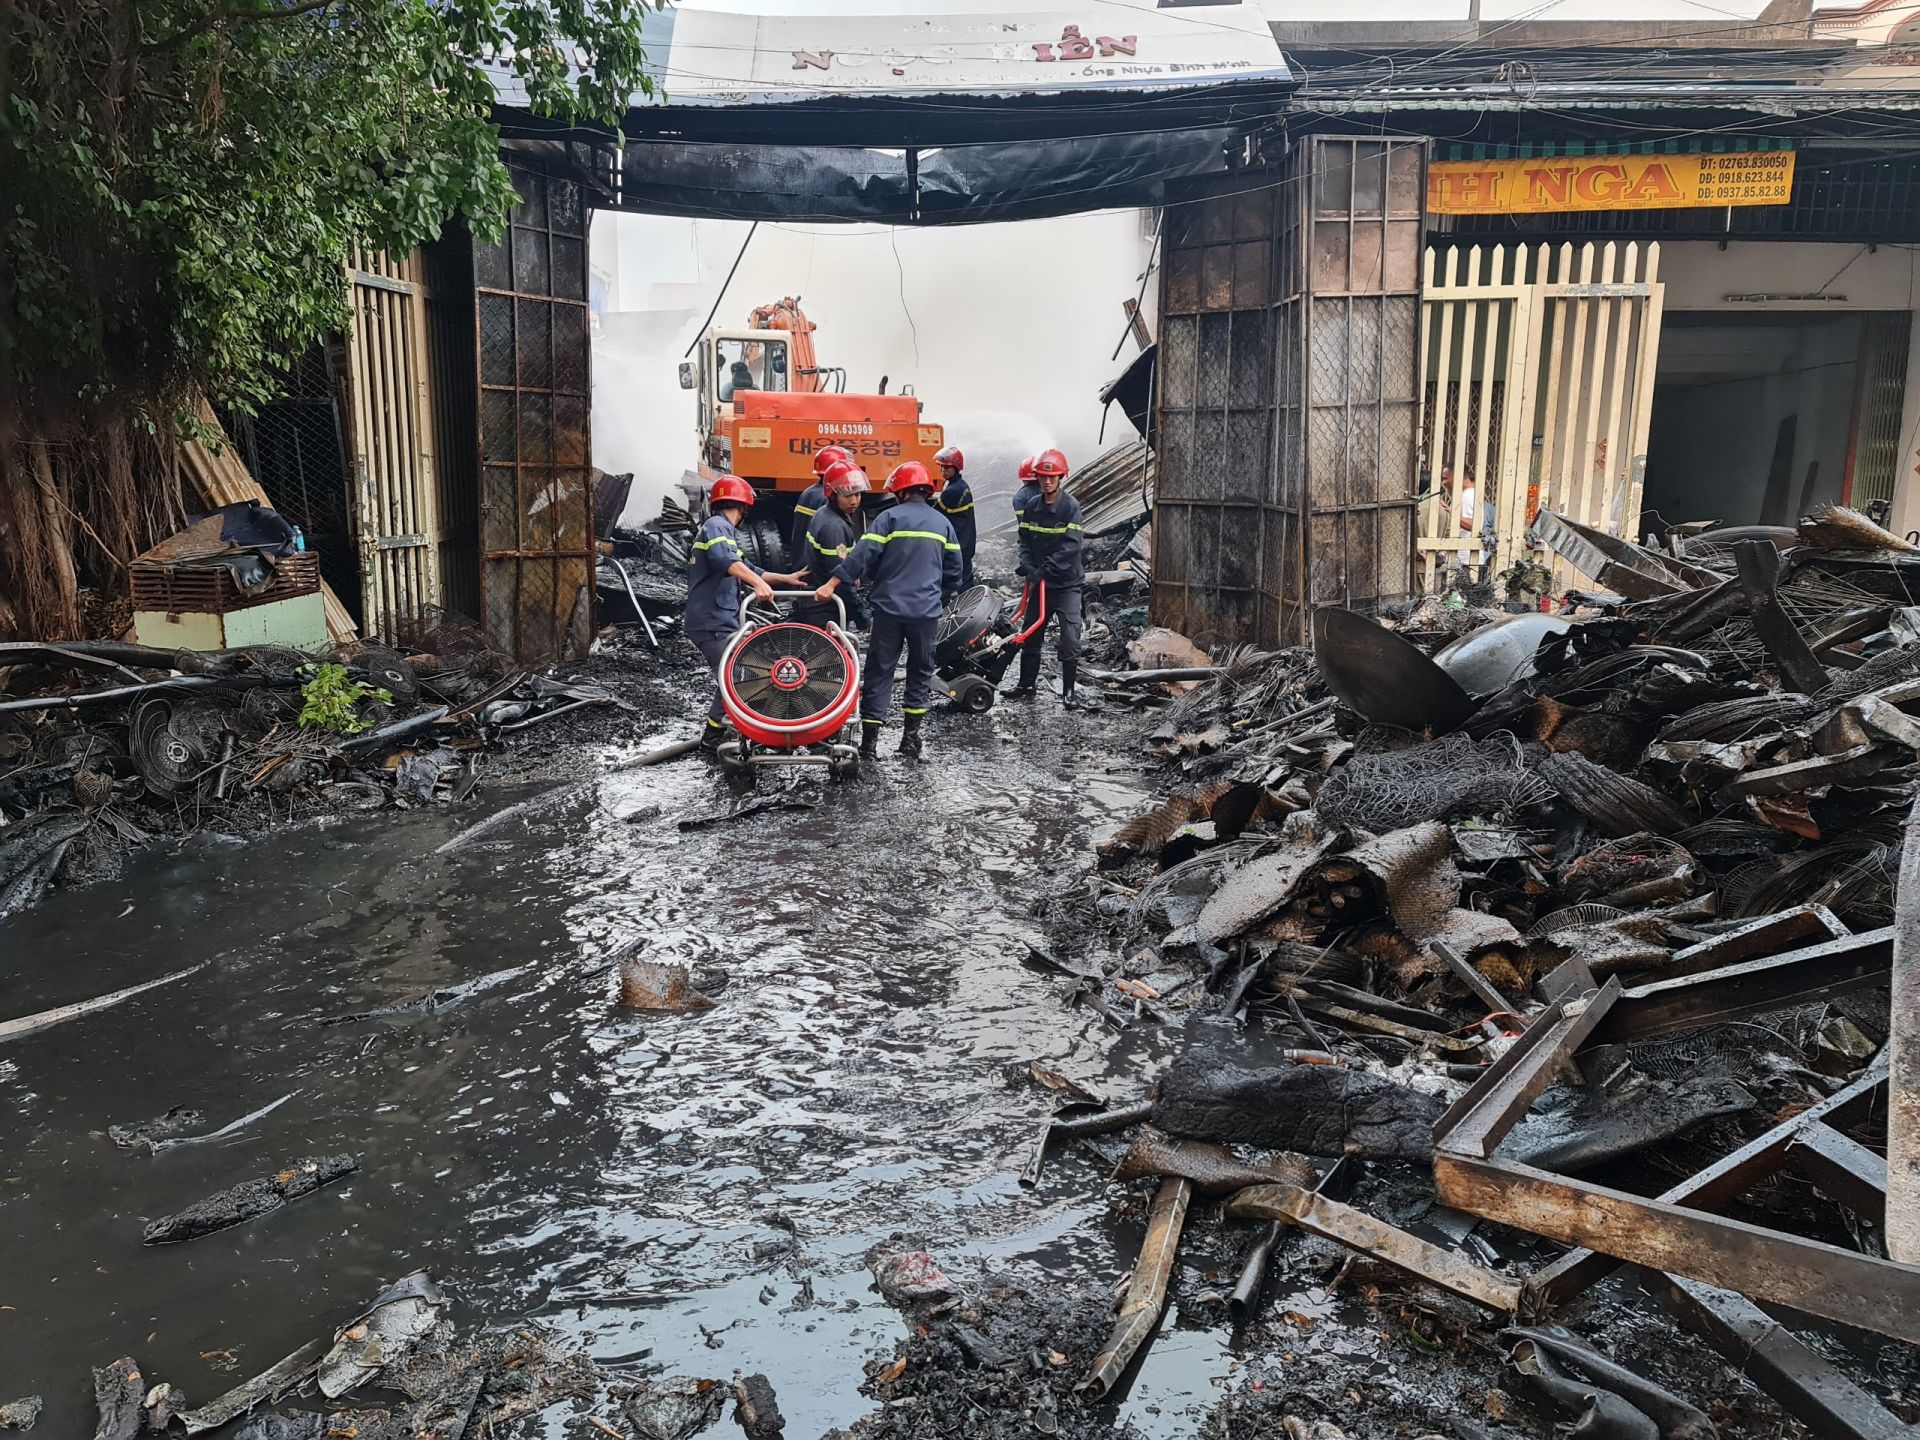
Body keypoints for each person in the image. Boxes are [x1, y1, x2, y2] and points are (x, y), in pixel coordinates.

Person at [813, 460, 961, 760]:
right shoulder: (942, 523)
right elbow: (955, 572)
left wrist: (833, 582)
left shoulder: (888, 518)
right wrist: (936, 596)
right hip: (925, 615)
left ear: (900, 492)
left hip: (889, 612)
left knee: (880, 671)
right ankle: (910, 739)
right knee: (920, 671)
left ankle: (869, 745)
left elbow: (863, 556)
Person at [688, 475, 801, 754]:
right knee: (738, 676)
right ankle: (716, 736)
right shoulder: (717, 526)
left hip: (718, 619)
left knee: (740, 674)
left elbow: (749, 567)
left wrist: (785, 579)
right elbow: (724, 560)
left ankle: (729, 731)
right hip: (711, 621)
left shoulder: (723, 530)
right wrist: (758, 585)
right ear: (744, 506)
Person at [1009, 448, 1088, 707]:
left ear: (1061, 477)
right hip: (1039, 583)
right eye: (1043, 477)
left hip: (1066, 585)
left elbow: (1072, 546)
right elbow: (1024, 540)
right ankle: (1026, 685)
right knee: (1030, 633)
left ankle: (1069, 692)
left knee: (1070, 638)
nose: (1047, 481)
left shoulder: (1070, 507)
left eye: (1052, 477)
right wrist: (1027, 566)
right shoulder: (1032, 506)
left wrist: (1046, 569)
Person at [792, 463, 872, 632]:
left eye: (857, 494)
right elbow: (841, 581)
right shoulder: (833, 527)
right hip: (824, 610)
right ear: (832, 494)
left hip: (815, 604)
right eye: (847, 495)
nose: (854, 501)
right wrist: (861, 617)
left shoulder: (824, 513)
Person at [787, 444, 854, 571]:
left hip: (801, 565)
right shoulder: (829, 497)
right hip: (817, 568)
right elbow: (830, 539)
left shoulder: (808, 492)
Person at [932, 445, 976, 591]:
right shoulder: (960, 485)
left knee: (952, 581)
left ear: (956, 468)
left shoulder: (953, 490)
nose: (943, 470)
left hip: (958, 542)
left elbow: (933, 513)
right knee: (965, 577)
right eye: (941, 467)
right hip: (965, 541)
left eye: (947, 467)